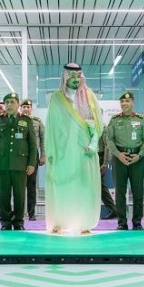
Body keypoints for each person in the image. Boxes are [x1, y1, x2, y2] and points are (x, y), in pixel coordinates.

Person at [45, 62, 102, 234]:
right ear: (65, 78)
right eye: (72, 77)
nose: (76, 80)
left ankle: (83, 223)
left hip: (84, 149)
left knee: (84, 185)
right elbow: (51, 127)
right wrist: (51, 151)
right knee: (62, 185)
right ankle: (59, 222)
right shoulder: (57, 98)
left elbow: (96, 123)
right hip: (62, 150)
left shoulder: (89, 95)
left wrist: (93, 144)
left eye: (79, 76)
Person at [0, 92, 37, 230]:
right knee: (4, 195)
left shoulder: (26, 121)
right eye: (7, 102)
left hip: (20, 164)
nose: (9, 105)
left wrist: (31, 163)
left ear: (18, 105)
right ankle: (5, 223)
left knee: (19, 196)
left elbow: (32, 145)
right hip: (2, 164)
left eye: (12, 102)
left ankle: (18, 222)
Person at [106, 91, 144, 230]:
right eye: (122, 102)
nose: (124, 104)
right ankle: (122, 222)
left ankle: (137, 222)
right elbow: (109, 140)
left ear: (132, 102)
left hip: (137, 159)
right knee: (120, 192)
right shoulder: (114, 120)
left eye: (127, 101)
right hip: (120, 159)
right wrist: (118, 155)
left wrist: (140, 154)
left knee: (138, 191)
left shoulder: (140, 119)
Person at [20, 98, 46, 220]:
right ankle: (19, 212)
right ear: (21, 108)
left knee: (31, 185)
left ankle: (31, 213)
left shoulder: (37, 122)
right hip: (19, 156)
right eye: (24, 107)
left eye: (28, 107)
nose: (26, 109)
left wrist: (43, 155)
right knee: (19, 185)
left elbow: (43, 139)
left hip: (33, 156)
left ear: (31, 108)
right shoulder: (17, 121)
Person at [98, 130, 119, 219]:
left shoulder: (103, 128)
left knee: (100, 186)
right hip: (92, 157)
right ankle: (113, 210)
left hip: (99, 157)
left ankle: (113, 210)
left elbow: (107, 146)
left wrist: (105, 163)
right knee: (99, 186)